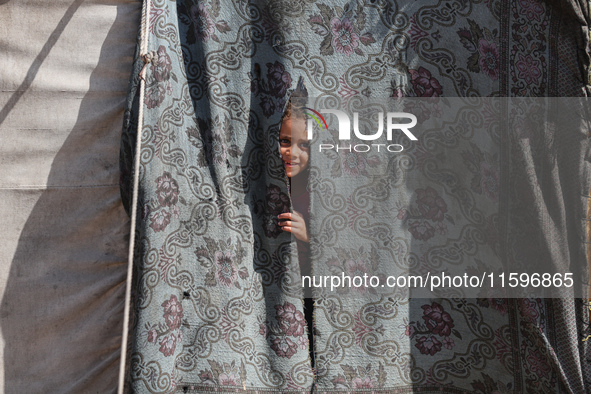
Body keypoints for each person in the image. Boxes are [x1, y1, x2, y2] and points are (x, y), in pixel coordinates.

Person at [276, 99, 316, 371]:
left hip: (309, 299)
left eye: (305, 146)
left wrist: (309, 237)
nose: (293, 152)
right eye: (285, 141)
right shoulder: (262, 188)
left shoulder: (316, 195)